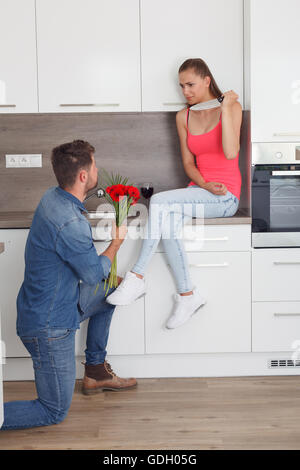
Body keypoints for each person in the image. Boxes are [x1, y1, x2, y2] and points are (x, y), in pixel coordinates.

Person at [1, 140, 136, 431]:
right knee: (53, 411)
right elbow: (90, 274)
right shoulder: (70, 222)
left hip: (46, 306)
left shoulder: (53, 197)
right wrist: (116, 243)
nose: (98, 169)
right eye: (95, 165)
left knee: (113, 288)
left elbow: (91, 271)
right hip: (49, 328)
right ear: (84, 176)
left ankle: (96, 371)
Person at [107, 58, 242, 330]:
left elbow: (230, 152)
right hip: (199, 191)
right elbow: (189, 165)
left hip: (226, 197)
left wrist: (226, 108)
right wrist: (204, 185)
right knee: (167, 226)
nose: (186, 91)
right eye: (181, 86)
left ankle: (136, 276)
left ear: (207, 80)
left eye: (191, 84)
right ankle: (187, 296)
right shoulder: (184, 116)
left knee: (157, 201)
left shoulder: (232, 107)